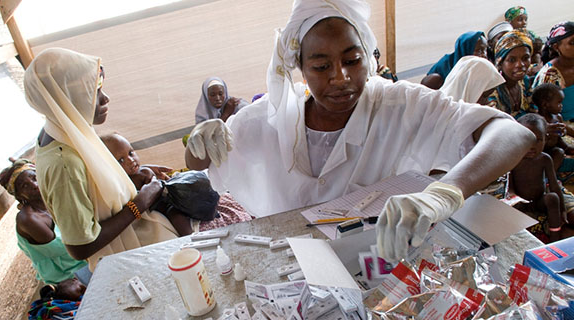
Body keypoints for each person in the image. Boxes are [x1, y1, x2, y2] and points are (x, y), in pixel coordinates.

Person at [184, 0, 534, 262]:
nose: (341, 78)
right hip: (289, 264)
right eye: (321, 66)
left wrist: (445, 193)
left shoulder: (400, 105)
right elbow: (197, 163)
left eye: (353, 60)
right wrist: (202, 140)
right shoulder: (266, 119)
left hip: (376, 262)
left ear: (368, 56)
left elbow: (513, 134)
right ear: (301, 68)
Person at [25, 48, 177, 269]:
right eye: (94, 91)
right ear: (65, 95)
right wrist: (141, 203)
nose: (106, 99)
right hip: (133, 263)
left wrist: (128, 176)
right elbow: (80, 246)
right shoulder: (64, 162)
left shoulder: (65, 129)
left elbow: (92, 188)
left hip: (143, 249)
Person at [0, 159, 89, 285]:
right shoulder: (29, 220)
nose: (35, 185)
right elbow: (75, 249)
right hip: (70, 277)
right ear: (19, 196)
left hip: (87, 261)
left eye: (35, 177)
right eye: (24, 186)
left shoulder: (52, 200)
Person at [101, 133, 193, 236]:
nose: (131, 160)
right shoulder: (117, 183)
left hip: (162, 200)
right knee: (175, 214)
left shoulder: (144, 171)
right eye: (121, 160)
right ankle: (190, 236)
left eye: (131, 153)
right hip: (157, 207)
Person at [510, 114, 568, 242]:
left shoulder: (545, 159)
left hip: (539, 200)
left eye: (538, 140)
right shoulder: (514, 158)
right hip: (521, 203)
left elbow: (554, 186)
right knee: (509, 206)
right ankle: (517, 238)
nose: (532, 145)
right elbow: (510, 189)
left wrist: (562, 210)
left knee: (552, 198)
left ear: (545, 139)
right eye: (527, 138)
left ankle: (554, 240)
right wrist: (516, 201)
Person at [440, 56, 505, 159]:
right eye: (484, 96)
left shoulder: (471, 115)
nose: (486, 102)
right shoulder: (440, 116)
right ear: (470, 88)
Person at [533, 22, 574, 124]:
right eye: (572, 43)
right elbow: (546, 118)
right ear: (556, 47)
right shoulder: (549, 75)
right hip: (563, 127)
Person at [487, 30, 534, 118]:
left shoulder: (525, 82)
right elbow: (497, 126)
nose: (520, 65)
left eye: (525, 58)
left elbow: (534, 111)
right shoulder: (491, 91)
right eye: (512, 60)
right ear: (500, 63)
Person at [421, 31, 488, 89]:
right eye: (479, 50)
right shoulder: (444, 69)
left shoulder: (476, 67)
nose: (484, 55)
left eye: (485, 50)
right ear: (465, 49)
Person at [532, 83, 574, 170]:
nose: (561, 106)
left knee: (559, 152)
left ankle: (550, 175)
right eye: (559, 103)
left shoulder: (558, 117)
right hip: (540, 153)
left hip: (554, 150)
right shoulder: (537, 121)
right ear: (545, 105)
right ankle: (548, 178)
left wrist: (567, 148)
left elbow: (558, 139)